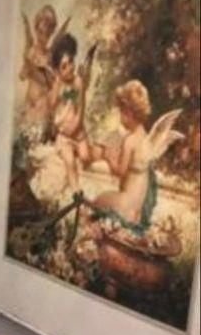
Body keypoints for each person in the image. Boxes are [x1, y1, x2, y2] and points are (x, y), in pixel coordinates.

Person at [92, 80, 183, 229]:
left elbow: (120, 172)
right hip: (137, 210)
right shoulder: (145, 139)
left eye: (121, 112)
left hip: (125, 204)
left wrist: (108, 158)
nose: (120, 117)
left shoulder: (129, 141)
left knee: (97, 201)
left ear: (127, 112)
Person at [48, 32, 94, 191]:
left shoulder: (78, 82)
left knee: (86, 157)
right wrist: (57, 83)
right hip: (64, 136)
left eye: (71, 63)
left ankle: (83, 150)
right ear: (57, 71)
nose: (69, 68)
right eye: (64, 67)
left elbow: (80, 109)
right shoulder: (58, 85)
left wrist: (76, 127)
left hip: (78, 133)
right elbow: (51, 104)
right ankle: (76, 193)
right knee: (69, 161)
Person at [19, 5, 67, 127]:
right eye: (40, 32)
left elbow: (52, 83)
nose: (42, 37)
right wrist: (28, 65)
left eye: (46, 34)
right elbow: (22, 76)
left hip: (43, 109)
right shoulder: (31, 51)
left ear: (50, 34)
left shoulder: (49, 56)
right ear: (36, 29)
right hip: (29, 108)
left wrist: (44, 73)